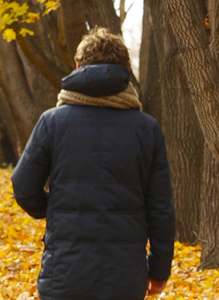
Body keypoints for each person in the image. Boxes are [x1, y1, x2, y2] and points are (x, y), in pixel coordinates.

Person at [11, 27, 175, 300]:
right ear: (126, 70)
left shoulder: (52, 122)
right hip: (125, 277)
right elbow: (160, 208)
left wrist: (53, 209)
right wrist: (159, 270)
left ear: (77, 67)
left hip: (64, 272)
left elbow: (23, 186)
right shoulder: (146, 129)